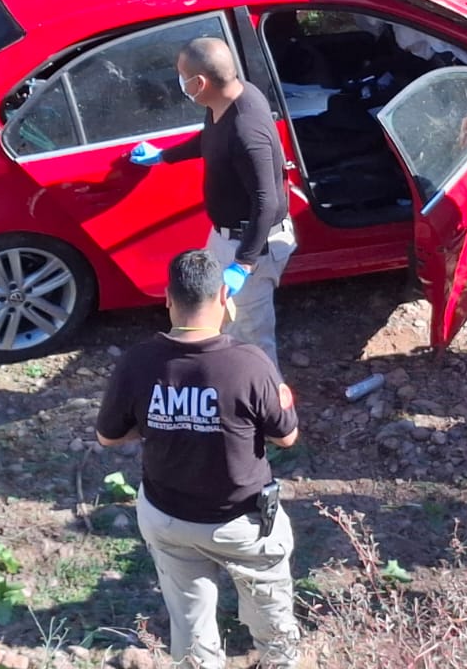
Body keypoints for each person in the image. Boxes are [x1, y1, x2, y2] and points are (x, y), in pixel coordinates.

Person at [96, 248, 303, 669]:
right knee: (272, 618)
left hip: (169, 519)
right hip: (242, 524)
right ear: (224, 300)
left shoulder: (138, 362)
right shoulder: (249, 365)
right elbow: (287, 437)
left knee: (191, 628)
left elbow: (108, 436)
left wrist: (157, 421)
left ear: (168, 299)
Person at [131, 36, 294, 368]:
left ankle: (269, 407)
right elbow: (211, 141)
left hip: (252, 245)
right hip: (226, 238)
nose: (178, 81)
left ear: (199, 82)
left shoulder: (247, 130)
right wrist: (164, 156)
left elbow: (267, 199)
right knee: (221, 320)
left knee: (253, 338)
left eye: (181, 75)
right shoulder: (225, 100)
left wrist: (243, 264)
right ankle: (228, 381)